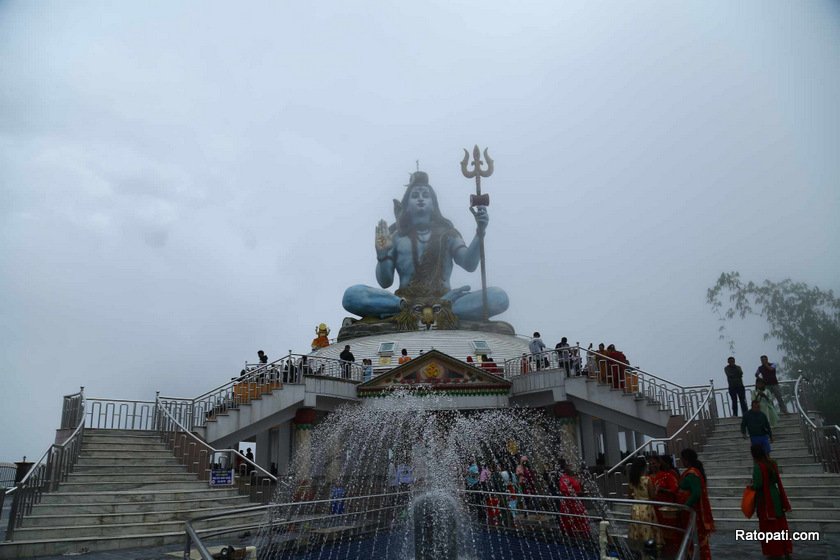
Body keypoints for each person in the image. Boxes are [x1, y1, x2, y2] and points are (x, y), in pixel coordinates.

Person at [342, 171, 509, 321]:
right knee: (351, 295)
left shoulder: (448, 233)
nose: (420, 198)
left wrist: (480, 233)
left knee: (498, 297)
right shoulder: (396, 237)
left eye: (425, 195)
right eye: (415, 195)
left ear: (433, 203)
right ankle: (418, 309)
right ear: (407, 204)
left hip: (446, 298)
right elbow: (385, 282)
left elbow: (469, 264)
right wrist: (382, 255)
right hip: (404, 301)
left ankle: (434, 308)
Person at [750, 444, 793, 559]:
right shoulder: (772, 463)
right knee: (780, 524)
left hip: (765, 498)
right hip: (775, 494)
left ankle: (774, 551)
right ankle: (786, 549)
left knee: (769, 527)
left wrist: (750, 486)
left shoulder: (758, 466)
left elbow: (758, 484)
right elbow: (774, 479)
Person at [678, 449, 715, 560]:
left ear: (687, 460)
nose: (681, 461)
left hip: (693, 512)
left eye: (682, 459)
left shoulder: (692, 474)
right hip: (690, 511)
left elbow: (696, 493)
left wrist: (685, 506)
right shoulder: (691, 472)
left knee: (696, 540)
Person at [650, 455, 682, 557]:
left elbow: (675, 489)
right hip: (653, 510)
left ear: (659, 464)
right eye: (650, 464)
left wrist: (662, 490)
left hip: (666, 510)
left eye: (654, 463)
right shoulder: (648, 478)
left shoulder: (667, 475)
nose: (652, 465)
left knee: (669, 536)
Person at [627, 457, 660, 551]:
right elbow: (653, 496)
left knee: (637, 531)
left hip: (635, 508)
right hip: (646, 508)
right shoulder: (647, 480)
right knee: (647, 531)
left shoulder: (632, 481)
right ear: (643, 468)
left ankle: (638, 551)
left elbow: (629, 496)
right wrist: (656, 490)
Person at [556, 460, 590, 535]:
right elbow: (565, 490)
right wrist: (579, 493)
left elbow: (579, 488)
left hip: (578, 503)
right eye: (568, 466)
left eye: (571, 466)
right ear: (565, 468)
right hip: (569, 504)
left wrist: (583, 489)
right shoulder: (564, 478)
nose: (571, 468)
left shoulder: (574, 477)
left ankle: (583, 534)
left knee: (581, 521)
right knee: (570, 522)